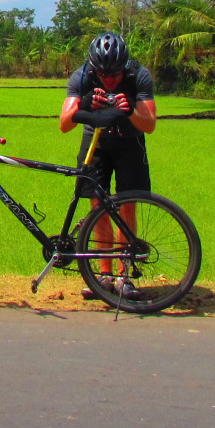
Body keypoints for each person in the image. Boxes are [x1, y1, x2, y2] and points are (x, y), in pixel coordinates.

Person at [58, 31, 157, 298]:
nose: (109, 80)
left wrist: (130, 111)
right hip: (96, 142)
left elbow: (150, 125)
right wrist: (84, 106)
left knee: (127, 206)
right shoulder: (82, 76)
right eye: (102, 74)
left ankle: (125, 277)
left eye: (114, 74)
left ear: (124, 66)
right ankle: (104, 275)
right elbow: (64, 124)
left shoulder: (139, 75)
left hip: (129, 143)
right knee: (97, 206)